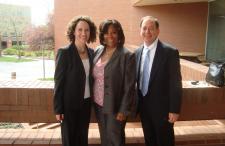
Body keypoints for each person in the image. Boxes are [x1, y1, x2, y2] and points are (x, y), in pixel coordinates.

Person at [135, 16, 182, 146]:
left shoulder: (169, 52)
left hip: (164, 111)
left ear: (158, 31)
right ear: (140, 30)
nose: (147, 32)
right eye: (144, 28)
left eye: (151, 28)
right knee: (149, 141)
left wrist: (174, 109)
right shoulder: (137, 52)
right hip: (144, 109)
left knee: (164, 141)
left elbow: (175, 83)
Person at [53, 15, 96, 146]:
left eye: (87, 30)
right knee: (69, 139)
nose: (84, 33)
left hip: (86, 103)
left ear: (90, 32)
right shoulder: (64, 52)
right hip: (68, 106)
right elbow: (58, 82)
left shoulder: (92, 53)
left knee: (83, 138)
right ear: (74, 31)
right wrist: (58, 109)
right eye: (80, 29)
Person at [92, 19, 136, 146]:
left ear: (119, 34)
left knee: (115, 139)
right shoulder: (98, 50)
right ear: (102, 35)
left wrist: (123, 110)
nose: (110, 36)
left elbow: (129, 87)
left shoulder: (127, 55)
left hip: (115, 107)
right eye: (106, 33)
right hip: (98, 104)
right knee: (104, 139)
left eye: (114, 32)